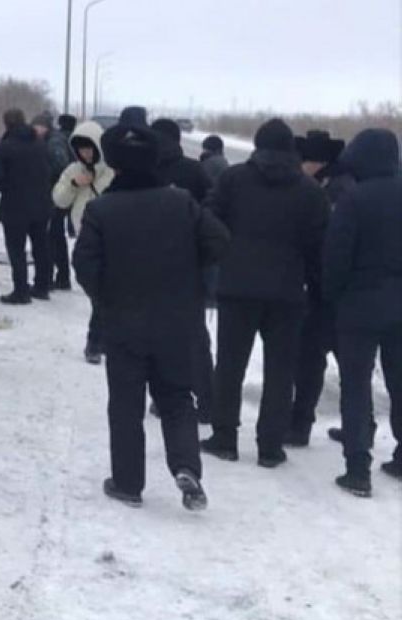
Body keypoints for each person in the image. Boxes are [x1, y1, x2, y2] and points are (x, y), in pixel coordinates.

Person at [73, 122, 230, 510]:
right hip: (177, 320)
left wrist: (105, 297)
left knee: (125, 402)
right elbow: (219, 241)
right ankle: (187, 466)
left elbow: (85, 265)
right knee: (177, 397)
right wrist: (190, 276)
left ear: (116, 165)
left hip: (124, 321)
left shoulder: (101, 209)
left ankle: (128, 483)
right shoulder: (181, 203)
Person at [201, 119, 328, 468]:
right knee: (280, 370)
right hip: (287, 293)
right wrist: (314, 285)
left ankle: (224, 437)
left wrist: (225, 255)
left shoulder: (233, 179)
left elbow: (209, 220)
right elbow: (319, 246)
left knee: (229, 366)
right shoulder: (310, 190)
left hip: (237, 287)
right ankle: (270, 446)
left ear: (257, 145)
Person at [323, 128, 402, 496]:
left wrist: (332, 295)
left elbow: (337, 256)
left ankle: (358, 468)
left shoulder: (354, 199)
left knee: (356, 384)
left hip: (359, 303)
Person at [286, 129, 356, 446]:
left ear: (317, 162)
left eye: (305, 160)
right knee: (348, 364)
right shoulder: (337, 184)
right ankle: (358, 426)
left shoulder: (336, 191)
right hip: (341, 291)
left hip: (329, 291)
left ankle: (300, 424)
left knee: (311, 360)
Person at [151, 117, 217, 423]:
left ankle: (164, 397)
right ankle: (206, 400)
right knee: (194, 336)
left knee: (157, 335)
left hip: (150, 265)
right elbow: (212, 214)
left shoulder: (146, 170)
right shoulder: (195, 171)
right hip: (189, 265)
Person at [52, 119, 114, 363]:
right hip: (84, 239)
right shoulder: (72, 171)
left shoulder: (111, 170)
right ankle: (100, 340)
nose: (85, 153)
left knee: (104, 295)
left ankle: (96, 343)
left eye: (89, 148)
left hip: (111, 240)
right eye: (80, 149)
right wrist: (76, 184)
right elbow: (59, 199)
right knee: (96, 291)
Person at [0, 109, 53, 304]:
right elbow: (49, 170)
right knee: (41, 246)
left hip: (14, 206)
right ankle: (42, 286)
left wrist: (5, 186)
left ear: (6, 124)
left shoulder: (5, 148)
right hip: (41, 203)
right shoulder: (40, 145)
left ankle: (21, 290)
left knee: (16, 249)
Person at [46, 114, 78, 291]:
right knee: (58, 236)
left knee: (53, 236)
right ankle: (62, 276)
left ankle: (55, 277)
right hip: (70, 192)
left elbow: (61, 166)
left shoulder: (56, 141)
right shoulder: (73, 140)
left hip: (58, 193)